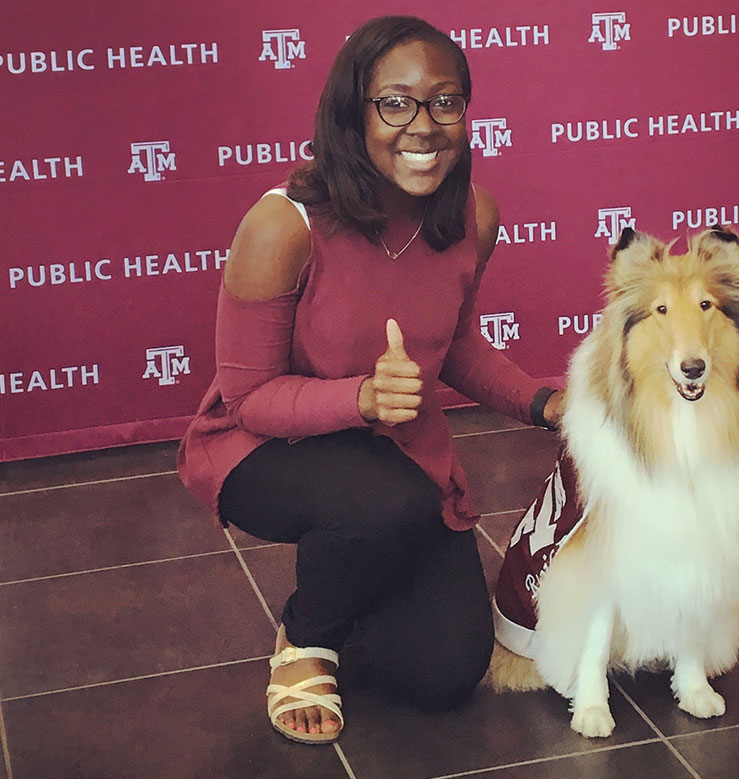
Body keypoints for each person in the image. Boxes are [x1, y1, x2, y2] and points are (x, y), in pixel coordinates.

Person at [177, 15, 563, 745]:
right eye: (396, 103)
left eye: (445, 103)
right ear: (353, 113)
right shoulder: (282, 226)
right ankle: (306, 635)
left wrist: (545, 404)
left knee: (445, 674)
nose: (424, 125)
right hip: (260, 447)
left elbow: (457, 349)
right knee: (384, 500)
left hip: (399, 461)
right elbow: (248, 397)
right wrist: (360, 397)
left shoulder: (473, 218)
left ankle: (359, 575)